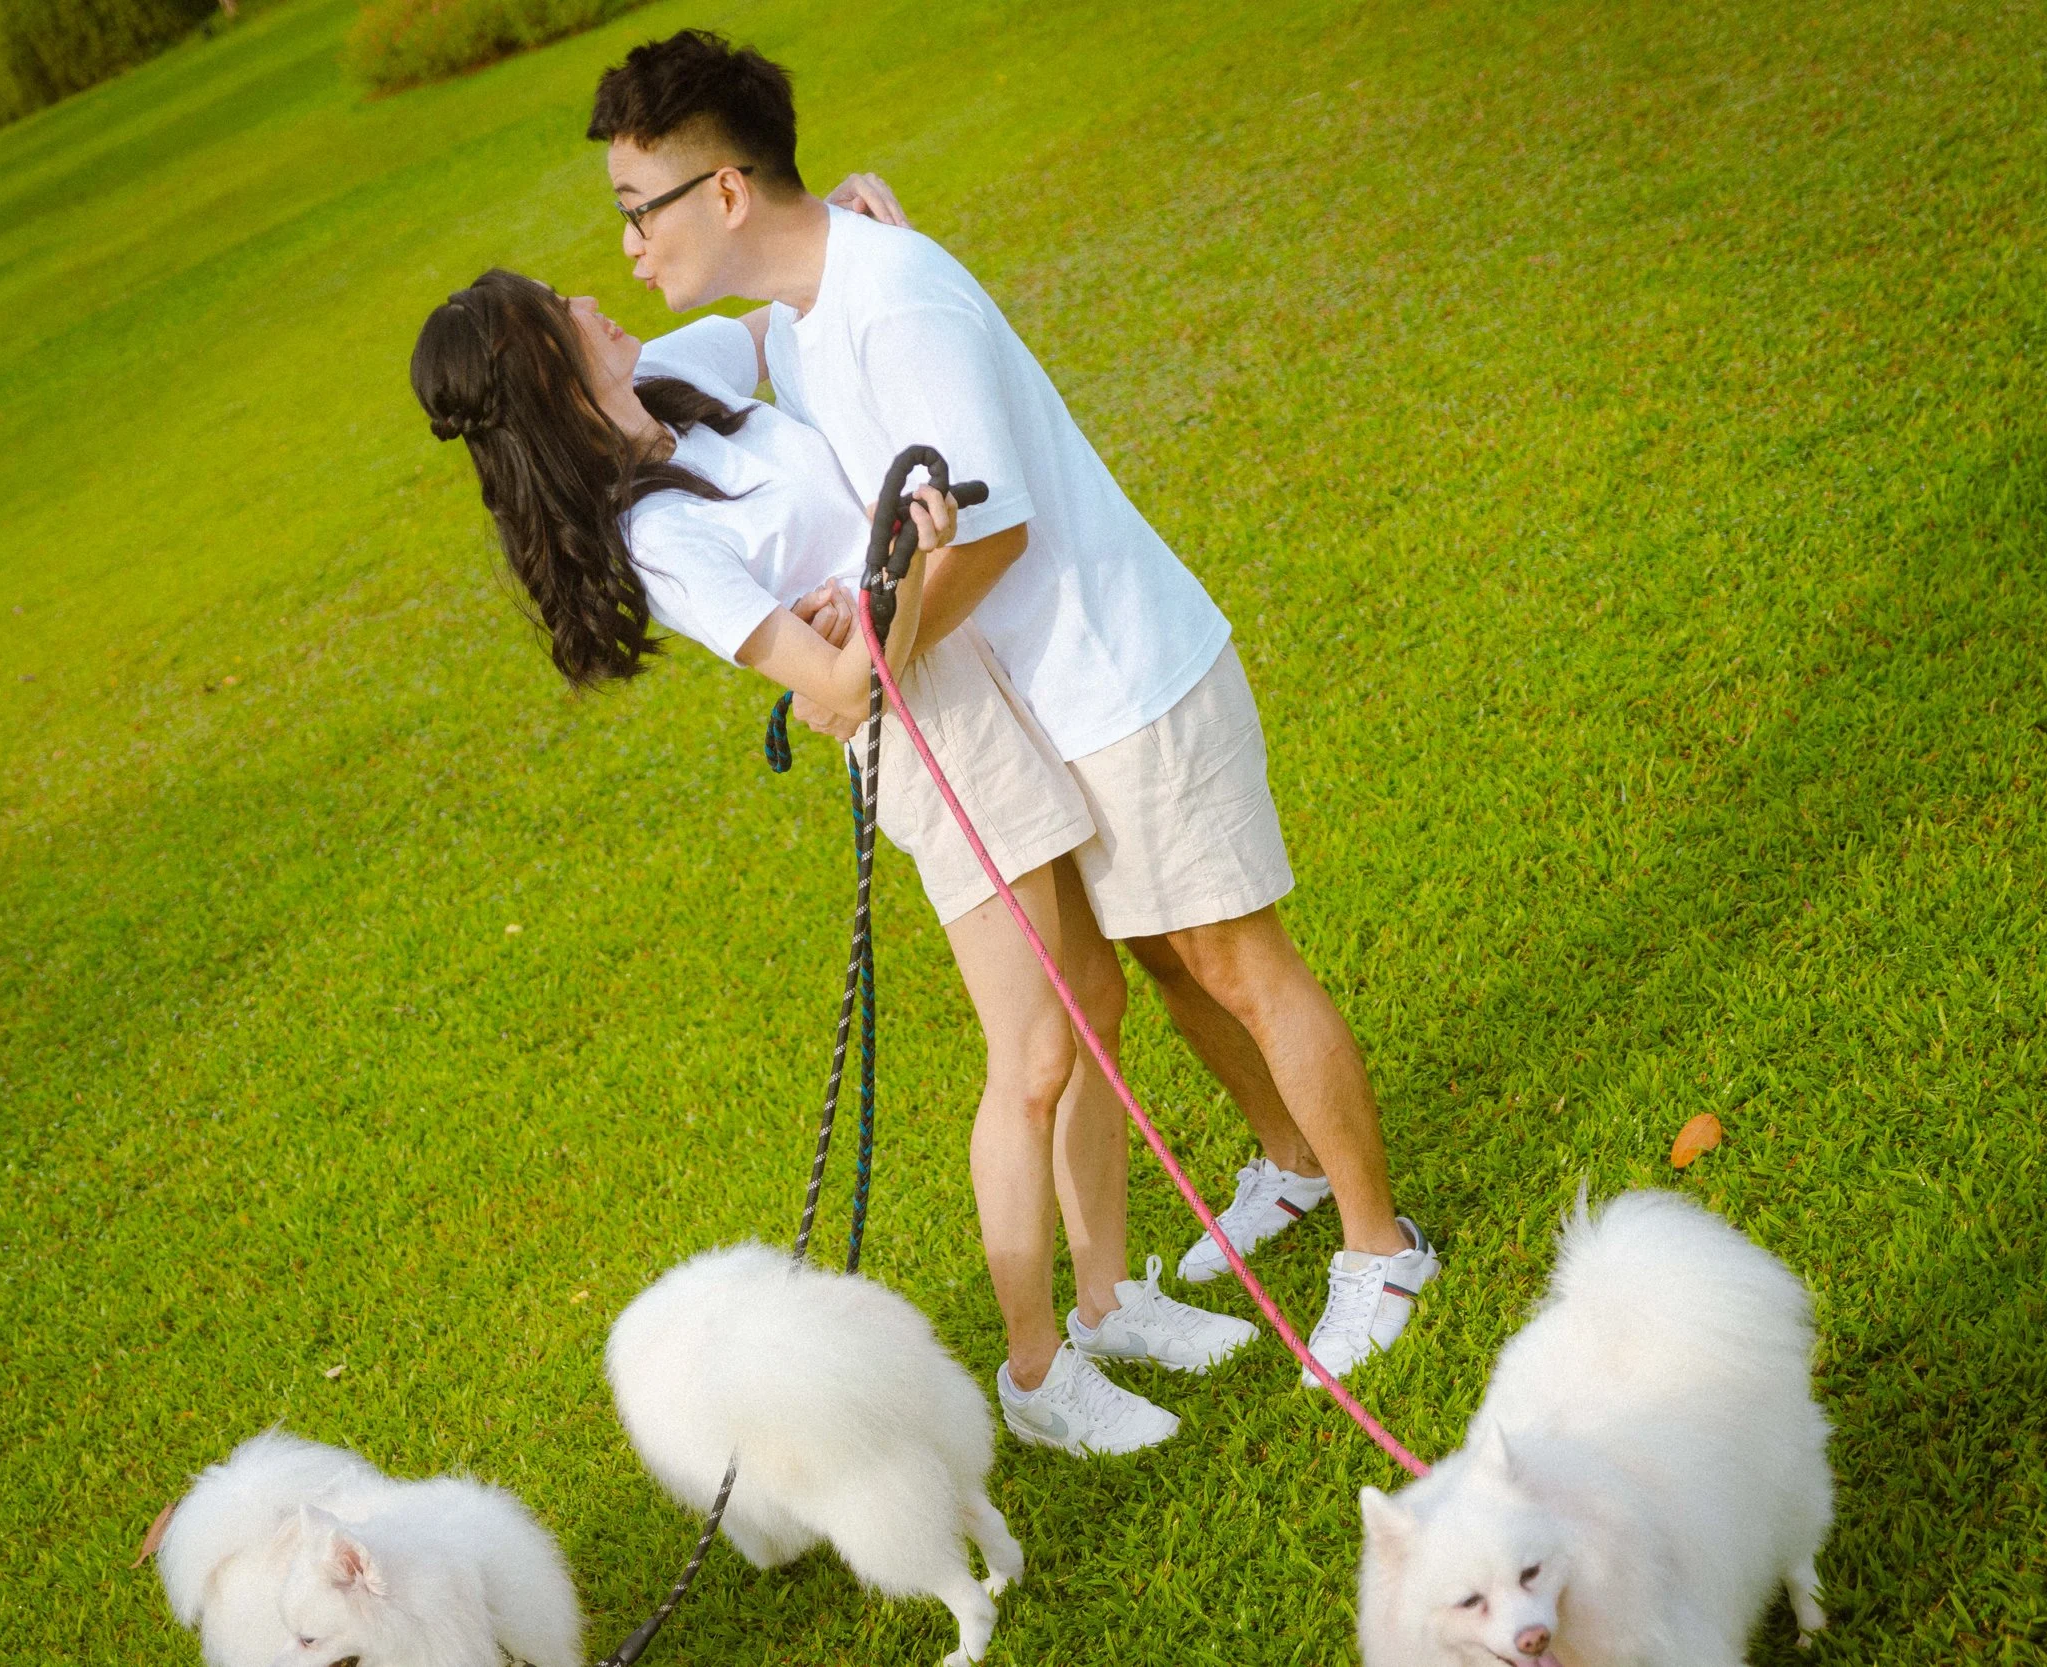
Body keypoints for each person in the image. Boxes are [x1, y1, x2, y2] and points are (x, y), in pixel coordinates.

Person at [586, 31, 1446, 1397]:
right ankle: (1287, 1161)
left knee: (1236, 958)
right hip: (1046, 697)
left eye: (642, 210)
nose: (630, 248)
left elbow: (988, 533)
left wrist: (866, 639)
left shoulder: (888, 302)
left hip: (1118, 668)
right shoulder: (807, 319)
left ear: (727, 192)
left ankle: (1379, 1244)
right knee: (1162, 964)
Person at [409, 271, 1256, 1457]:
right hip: (930, 742)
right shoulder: (662, 535)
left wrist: (861, 228)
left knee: (1093, 1001)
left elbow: (778, 314)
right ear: (546, 370)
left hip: (978, 674)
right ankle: (1033, 1368)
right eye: (564, 306)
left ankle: (1111, 1302)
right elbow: (843, 692)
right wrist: (904, 571)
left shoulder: (677, 380)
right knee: (1031, 1050)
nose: (596, 295)